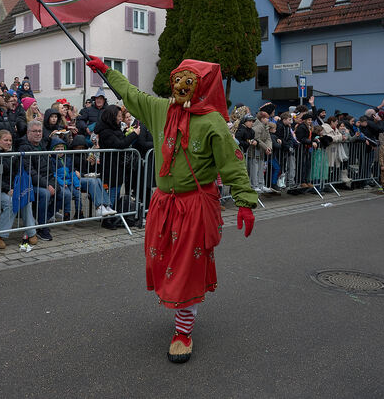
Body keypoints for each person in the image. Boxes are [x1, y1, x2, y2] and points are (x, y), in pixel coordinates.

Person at [88, 56, 257, 364]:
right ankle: (181, 310)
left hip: (193, 205)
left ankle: (183, 332)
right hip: (163, 204)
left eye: (188, 81)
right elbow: (132, 94)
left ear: (201, 86)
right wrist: (106, 71)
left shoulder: (212, 122)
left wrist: (245, 202)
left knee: (186, 268)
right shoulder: (161, 110)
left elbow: (231, 162)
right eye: (177, 80)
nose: (180, 86)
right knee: (160, 258)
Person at [0, 129, 39, 249]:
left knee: (25, 198)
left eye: (10, 140)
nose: (9, 143)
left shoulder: (13, 154)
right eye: (6, 140)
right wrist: (8, 189)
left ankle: (31, 232)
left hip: (10, 188)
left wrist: (17, 188)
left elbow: (17, 174)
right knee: (11, 203)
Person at [94, 104, 139, 228]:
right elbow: (119, 144)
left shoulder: (114, 127)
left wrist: (126, 133)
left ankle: (112, 217)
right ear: (112, 116)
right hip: (110, 166)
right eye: (119, 116)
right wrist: (134, 134)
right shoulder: (105, 130)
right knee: (113, 192)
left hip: (117, 166)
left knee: (117, 190)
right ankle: (107, 220)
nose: (120, 118)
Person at [18, 120, 56, 240]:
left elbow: (50, 170)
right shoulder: (24, 146)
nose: (38, 134)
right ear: (28, 132)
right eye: (35, 131)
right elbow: (30, 171)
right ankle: (41, 226)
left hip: (45, 180)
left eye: (40, 131)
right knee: (45, 193)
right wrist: (46, 185)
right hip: (30, 183)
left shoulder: (42, 145)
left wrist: (53, 184)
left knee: (64, 194)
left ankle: (40, 222)